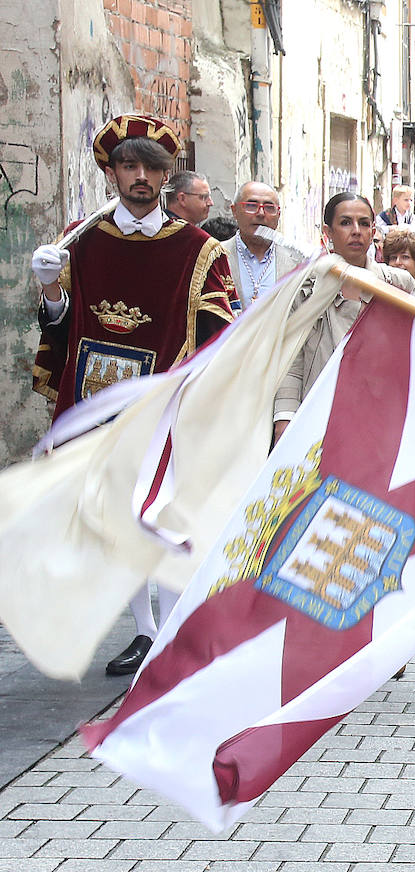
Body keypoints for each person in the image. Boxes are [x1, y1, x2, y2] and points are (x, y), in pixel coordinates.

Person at [30, 114, 237, 676]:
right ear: (112, 172)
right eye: (129, 165)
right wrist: (50, 287)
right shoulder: (82, 239)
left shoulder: (198, 249)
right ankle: (145, 631)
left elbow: (220, 334)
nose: (140, 176)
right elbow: (60, 324)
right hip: (94, 400)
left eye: (151, 167)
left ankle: (172, 634)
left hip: (165, 407)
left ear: (167, 175)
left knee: (164, 517)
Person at [273, 193, 415, 442]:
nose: (356, 231)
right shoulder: (305, 287)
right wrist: (284, 417)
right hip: (319, 418)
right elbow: (291, 360)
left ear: (373, 231)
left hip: (383, 420)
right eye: (346, 222)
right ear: (328, 231)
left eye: (363, 223)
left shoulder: (398, 284)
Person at [224, 181, 302, 311]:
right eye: (251, 205)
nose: (260, 213)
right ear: (234, 211)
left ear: (278, 215)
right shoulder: (217, 256)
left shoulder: (298, 261)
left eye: (269, 208)